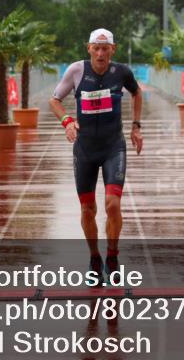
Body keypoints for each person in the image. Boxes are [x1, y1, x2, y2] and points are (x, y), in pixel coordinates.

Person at [49, 29, 143, 284]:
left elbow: (137, 93)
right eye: (96, 48)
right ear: (88, 48)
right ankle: (94, 258)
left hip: (114, 146)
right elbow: (55, 100)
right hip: (86, 149)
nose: (100, 53)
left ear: (113, 49)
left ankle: (112, 256)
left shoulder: (121, 72)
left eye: (105, 48)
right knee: (88, 209)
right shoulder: (76, 71)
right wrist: (67, 121)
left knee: (113, 204)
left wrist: (136, 126)